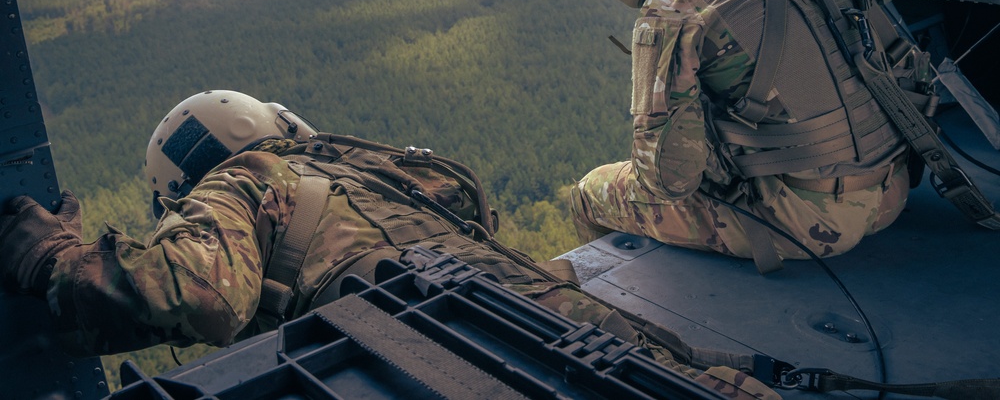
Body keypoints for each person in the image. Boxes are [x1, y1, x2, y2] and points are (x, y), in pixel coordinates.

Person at [0, 89, 779, 399]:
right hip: (563, 317)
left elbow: (196, 290)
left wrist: (53, 259)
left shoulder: (238, 182)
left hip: (469, 352)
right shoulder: (359, 169)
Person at [556, 0, 972, 272]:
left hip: (813, 226)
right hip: (897, 182)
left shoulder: (671, 9)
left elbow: (669, 180)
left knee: (589, 194)